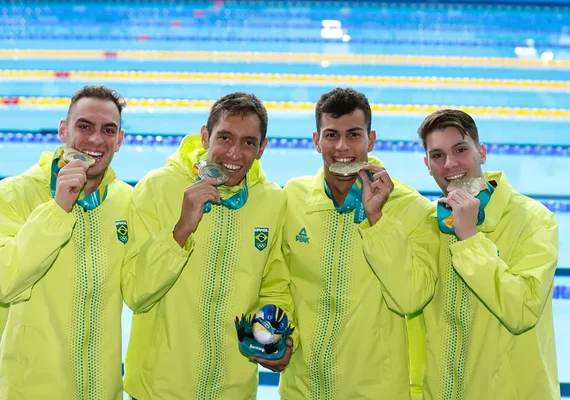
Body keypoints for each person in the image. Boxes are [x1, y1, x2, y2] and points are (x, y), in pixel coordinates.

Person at [122, 92, 297, 400]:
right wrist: (181, 230)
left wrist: (276, 333)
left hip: (233, 390)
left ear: (262, 149)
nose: (234, 153)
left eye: (248, 143)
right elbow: (136, 292)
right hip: (158, 391)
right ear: (205, 136)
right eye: (225, 137)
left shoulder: (272, 201)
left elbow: (275, 284)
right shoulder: (157, 188)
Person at [278, 88, 439, 399]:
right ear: (316, 140)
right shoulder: (294, 198)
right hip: (301, 389)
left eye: (353, 134)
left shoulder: (411, 209)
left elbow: (411, 298)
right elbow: (278, 282)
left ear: (371, 139)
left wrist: (377, 220)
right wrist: (281, 335)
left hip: (374, 392)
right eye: (331, 135)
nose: (342, 147)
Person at [415, 109, 559, 399]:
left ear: (481, 152)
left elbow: (521, 311)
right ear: (427, 165)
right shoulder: (429, 223)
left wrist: (470, 238)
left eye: (460, 150)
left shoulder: (534, 220)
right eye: (438, 155)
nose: (450, 163)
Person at [0, 85, 133, 399]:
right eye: (84, 126)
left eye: (108, 130)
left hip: (103, 392)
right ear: (63, 129)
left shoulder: (127, 201)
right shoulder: (14, 194)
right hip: (31, 391)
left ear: (120, 140)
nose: (96, 139)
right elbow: (5, 281)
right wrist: (57, 210)